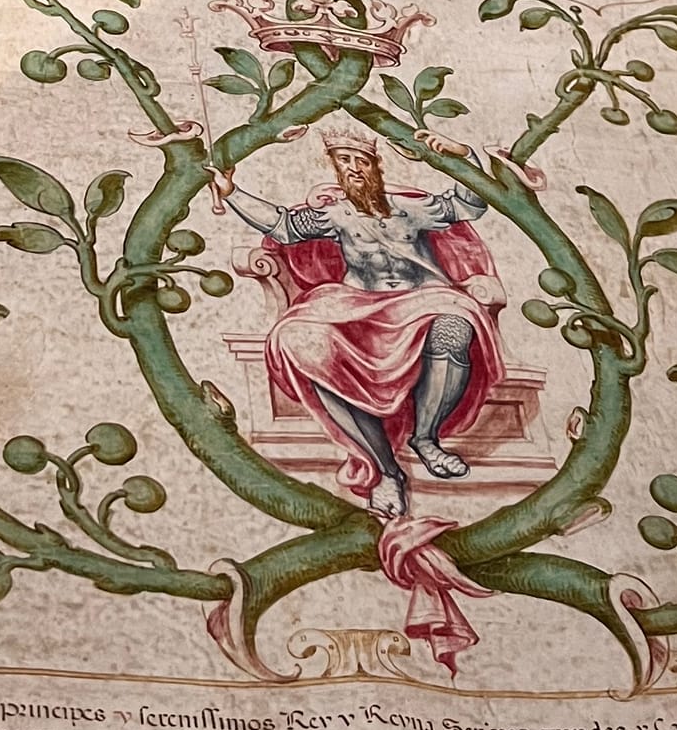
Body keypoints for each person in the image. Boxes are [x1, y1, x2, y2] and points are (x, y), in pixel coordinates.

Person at [215, 128, 503, 517]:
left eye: (361, 161)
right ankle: (386, 471)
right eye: (344, 161)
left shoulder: (409, 209)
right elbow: (282, 226)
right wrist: (231, 192)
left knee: (455, 324)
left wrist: (463, 153)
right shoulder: (336, 215)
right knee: (300, 342)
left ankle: (425, 438)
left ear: (375, 167)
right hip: (358, 303)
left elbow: (469, 204)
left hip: (421, 297)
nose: (353, 169)